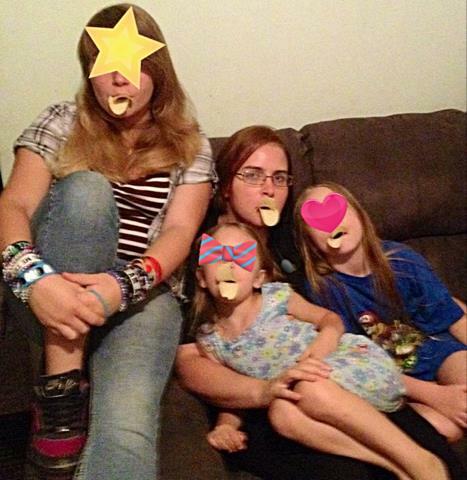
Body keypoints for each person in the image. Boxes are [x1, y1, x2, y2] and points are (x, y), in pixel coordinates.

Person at [176, 126, 465, 480]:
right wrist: (261, 392)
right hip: (263, 399)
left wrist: (426, 388)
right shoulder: (203, 253)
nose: (268, 188)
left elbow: (375, 295)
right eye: (252, 175)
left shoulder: (300, 241)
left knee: (441, 460)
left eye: (279, 178)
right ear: (225, 186)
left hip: (339, 370)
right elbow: (191, 363)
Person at [0, 4, 214, 480]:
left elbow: (179, 232)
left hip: (142, 296)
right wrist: (35, 281)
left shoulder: (190, 143)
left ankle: (67, 391)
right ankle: (62, 383)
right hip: (48, 281)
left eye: (134, 63)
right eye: (105, 63)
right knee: (87, 191)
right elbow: (13, 204)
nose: (120, 78)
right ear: (89, 72)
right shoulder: (62, 120)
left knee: (127, 430)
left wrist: (121, 286)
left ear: (157, 70)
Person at [194, 221, 451, 480]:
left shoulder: (277, 297)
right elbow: (234, 394)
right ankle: (395, 467)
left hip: (343, 361)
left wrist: (319, 348)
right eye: (218, 256)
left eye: (241, 257)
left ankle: (418, 460)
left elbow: (330, 320)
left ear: (259, 278)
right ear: (202, 278)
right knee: (282, 414)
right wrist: (225, 426)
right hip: (299, 394)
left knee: (309, 386)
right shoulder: (212, 341)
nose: (229, 266)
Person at [294, 182, 467, 443]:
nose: (332, 222)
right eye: (317, 219)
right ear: (310, 242)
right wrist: (434, 395)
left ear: (360, 214)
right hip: (388, 377)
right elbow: (357, 362)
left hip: (438, 351)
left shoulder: (403, 259)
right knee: (444, 429)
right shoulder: (323, 291)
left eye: (338, 209)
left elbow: (453, 318)